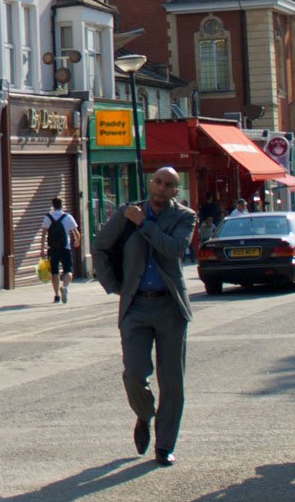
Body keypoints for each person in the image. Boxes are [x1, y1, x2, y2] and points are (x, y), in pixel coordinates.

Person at [95, 166, 195, 466]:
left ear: (176, 191)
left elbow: (175, 249)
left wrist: (146, 225)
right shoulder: (127, 214)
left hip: (170, 307)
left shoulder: (184, 217)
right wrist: (115, 286)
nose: (162, 189)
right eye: (158, 182)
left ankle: (165, 445)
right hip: (136, 306)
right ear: (151, 183)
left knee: (172, 381)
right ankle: (144, 414)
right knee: (135, 373)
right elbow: (100, 247)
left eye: (169, 185)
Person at [41, 197, 80, 304]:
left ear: (53, 205)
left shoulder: (48, 217)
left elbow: (44, 234)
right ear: (62, 205)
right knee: (68, 271)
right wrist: (77, 242)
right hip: (65, 248)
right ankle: (65, 287)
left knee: (54, 273)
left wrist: (42, 249)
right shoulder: (68, 217)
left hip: (52, 249)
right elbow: (76, 233)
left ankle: (56, 296)